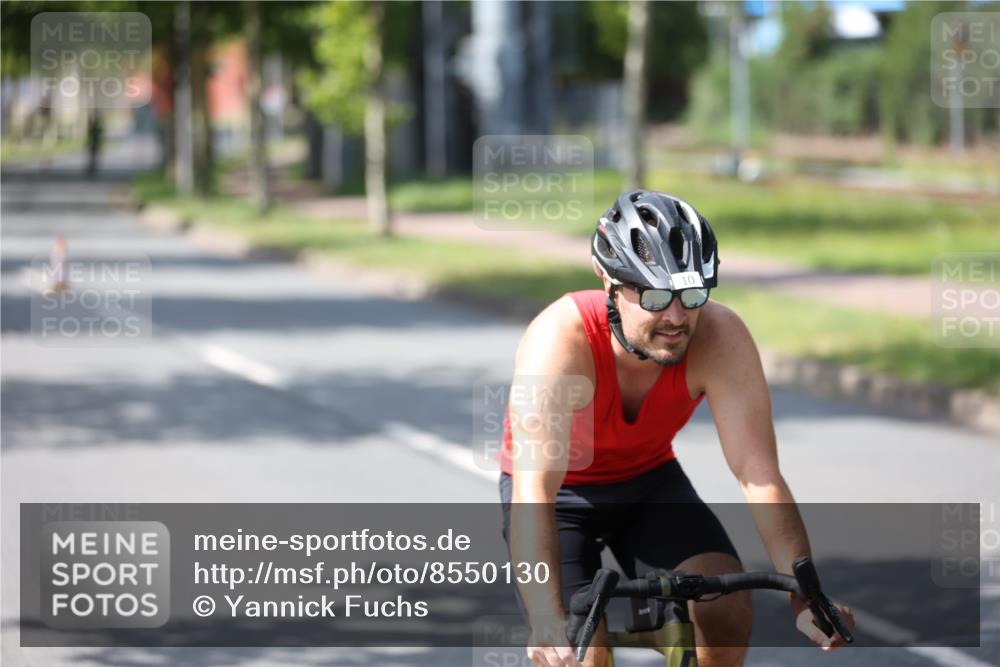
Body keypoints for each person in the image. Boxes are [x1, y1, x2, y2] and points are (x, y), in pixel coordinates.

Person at [499, 190, 854, 667]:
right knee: (582, 650)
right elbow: (534, 491)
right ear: (608, 282)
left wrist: (803, 593)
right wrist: (545, 617)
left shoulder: (720, 336)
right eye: (655, 295)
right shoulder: (560, 340)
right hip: (560, 495)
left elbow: (758, 474)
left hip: (648, 482)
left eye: (691, 295)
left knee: (726, 608)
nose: (675, 317)